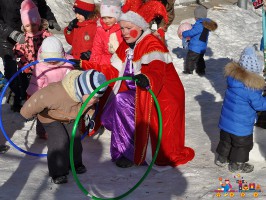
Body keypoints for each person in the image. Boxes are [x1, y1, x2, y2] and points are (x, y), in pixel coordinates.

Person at [78, 0, 195, 168]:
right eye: (122, 28)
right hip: (137, 92)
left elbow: (157, 71)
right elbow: (111, 70)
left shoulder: (152, 43)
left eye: (128, 28)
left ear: (140, 27)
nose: (124, 32)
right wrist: (83, 64)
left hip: (161, 95)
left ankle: (129, 151)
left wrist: (147, 79)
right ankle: (126, 149)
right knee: (117, 102)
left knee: (122, 100)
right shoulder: (125, 46)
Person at [20, 69, 108, 184]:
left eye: (98, 97)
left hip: (71, 118)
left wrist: (89, 117)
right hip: (50, 118)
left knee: (75, 138)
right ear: (83, 90)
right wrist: (26, 113)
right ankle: (58, 172)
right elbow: (38, 99)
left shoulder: (87, 98)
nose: (97, 100)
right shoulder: (56, 93)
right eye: (95, 97)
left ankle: (75, 163)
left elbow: (89, 107)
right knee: (59, 140)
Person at [0, 0, 60, 112]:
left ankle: (34, 97)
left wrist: (50, 19)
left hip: (32, 35)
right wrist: (10, 33)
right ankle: (17, 97)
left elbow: (42, 7)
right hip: (7, 38)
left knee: (34, 69)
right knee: (12, 70)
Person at [215, 46, 266, 173]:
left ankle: (221, 158)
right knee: (242, 145)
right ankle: (237, 164)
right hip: (241, 126)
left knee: (226, 141)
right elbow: (260, 105)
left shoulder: (233, 80)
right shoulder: (251, 89)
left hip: (226, 124)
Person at [26, 36, 74, 139]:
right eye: (49, 59)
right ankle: (41, 131)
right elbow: (37, 82)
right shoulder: (40, 66)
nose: (52, 62)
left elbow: (72, 77)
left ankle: (62, 129)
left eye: (54, 59)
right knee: (43, 113)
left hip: (63, 93)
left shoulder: (69, 63)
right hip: (46, 94)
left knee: (60, 112)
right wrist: (34, 97)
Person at [13, 0, 53, 111]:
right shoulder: (23, 39)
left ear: (39, 22)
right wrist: (23, 65)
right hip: (29, 71)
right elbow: (18, 54)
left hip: (44, 69)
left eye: (34, 24)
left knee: (45, 89)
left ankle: (45, 106)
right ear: (24, 26)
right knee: (30, 90)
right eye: (28, 25)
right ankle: (31, 108)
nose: (31, 28)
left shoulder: (46, 36)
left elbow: (54, 48)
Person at [182, 5, 217, 76]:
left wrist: (184, 33)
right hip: (202, 47)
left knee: (190, 59)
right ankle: (201, 70)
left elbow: (191, 32)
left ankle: (188, 71)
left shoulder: (199, 25)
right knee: (200, 59)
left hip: (195, 47)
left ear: (197, 17)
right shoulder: (206, 24)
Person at [89, 0, 123, 65]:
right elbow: (97, 49)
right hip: (103, 63)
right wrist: (93, 64)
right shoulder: (100, 30)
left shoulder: (122, 29)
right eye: (104, 18)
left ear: (117, 16)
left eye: (110, 17)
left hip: (120, 63)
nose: (106, 21)